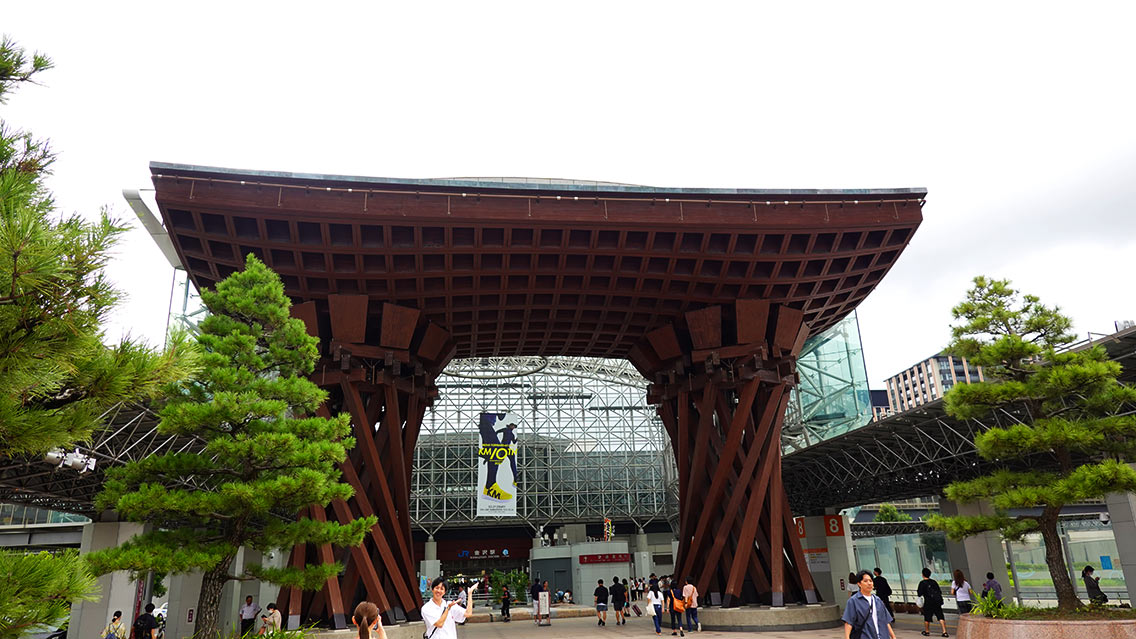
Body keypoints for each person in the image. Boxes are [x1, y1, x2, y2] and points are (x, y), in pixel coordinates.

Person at [842, 570, 896, 639]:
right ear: (859, 584)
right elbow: (849, 623)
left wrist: (893, 636)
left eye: (870, 581)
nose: (869, 583)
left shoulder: (877, 600)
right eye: (865, 581)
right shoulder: (853, 601)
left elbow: (885, 621)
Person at [917, 568, 948, 637]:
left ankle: (927, 631)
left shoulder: (922, 583)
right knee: (940, 616)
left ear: (922, 574)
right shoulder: (934, 582)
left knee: (927, 617)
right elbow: (939, 591)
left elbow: (919, 593)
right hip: (937, 601)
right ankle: (944, 631)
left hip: (928, 602)